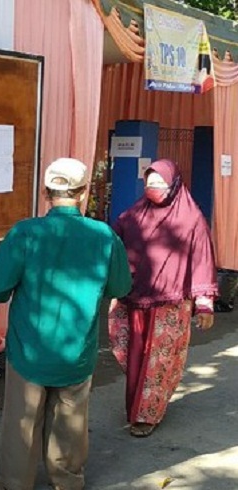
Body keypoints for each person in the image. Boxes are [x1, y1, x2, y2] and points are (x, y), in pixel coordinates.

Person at [0, 158, 132, 490]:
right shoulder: (104, 236)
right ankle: (67, 481)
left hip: (28, 349)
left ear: (45, 193)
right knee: (70, 421)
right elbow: (120, 286)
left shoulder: (25, 233)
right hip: (77, 349)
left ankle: (15, 482)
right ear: (83, 193)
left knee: (22, 423)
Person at [109, 159, 217, 438]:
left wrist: (204, 303)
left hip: (171, 303)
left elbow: (202, 261)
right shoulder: (132, 216)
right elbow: (113, 247)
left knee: (158, 361)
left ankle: (147, 414)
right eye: (150, 184)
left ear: (175, 185)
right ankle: (137, 405)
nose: (154, 189)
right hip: (132, 298)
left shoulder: (192, 219)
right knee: (132, 356)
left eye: (160, 184)